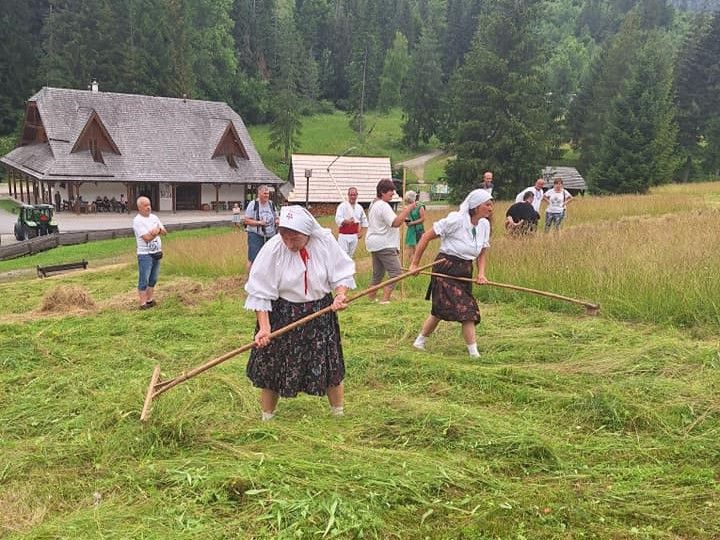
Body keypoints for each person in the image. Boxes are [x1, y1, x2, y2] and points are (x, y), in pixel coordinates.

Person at [245, 205, 356, 421]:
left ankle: (338, 416)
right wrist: (265, 328)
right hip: (283, 312)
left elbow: (341, 272)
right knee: (273, 365)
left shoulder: (324, 242)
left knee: (330, 363)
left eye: (294, 238)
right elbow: (260, 291)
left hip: (320, 312)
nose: (288, 243)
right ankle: (267, 418)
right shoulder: (273, 249)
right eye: (284, 236)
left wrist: (340, 295)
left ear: (307, 233)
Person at [409, 189, 493, 358]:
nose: (491, 208)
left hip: (465, 271)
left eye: (492, 204)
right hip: (445, 268)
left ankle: (419, 342)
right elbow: (425, 237)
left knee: (439, 311)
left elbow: (482, 252)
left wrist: (481, 274)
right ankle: (474, 354)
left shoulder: (484, 225)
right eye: (488, 204)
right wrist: (414, 264)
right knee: (467, 310)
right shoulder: (456, 220)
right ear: (476, 207)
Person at [365, 179, 416, 304]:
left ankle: (370, 300)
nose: (393, 194)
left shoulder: (374, 204)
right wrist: (408, 209)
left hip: (375, 243)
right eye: (390, 191)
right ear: (382, 192)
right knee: (396, 273)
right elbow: (396, 223)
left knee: (378, 274)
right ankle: (385, 300)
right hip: (384, 244)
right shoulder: (383, 205)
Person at [132, 196, 167, 310]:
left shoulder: (154, 217)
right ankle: (142, 303)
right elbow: (146, 238)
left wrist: (157, 231)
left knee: (153, 278)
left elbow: (165, 231)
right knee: (144, 278)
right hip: (145, 254)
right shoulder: (137, 220)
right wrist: (156, 232)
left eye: (149, 205)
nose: (148, 207)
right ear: (139, 207)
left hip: (156, 252)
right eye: (145, 205)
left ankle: (150, 299)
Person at [242, 185, 279, 272]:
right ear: (259, 193)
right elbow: (246, 221)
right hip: (255, 235)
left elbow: (276, 217)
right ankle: (250, 280)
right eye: (265, 193)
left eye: (268, 193)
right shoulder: (253, 204)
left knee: (269, 258)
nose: (267, 195)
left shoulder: (271, 204)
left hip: (271, 235)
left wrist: (277, 221)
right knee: (254, 258)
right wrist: (259, 223)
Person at [334, 187, 368, 257]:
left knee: (350, 256)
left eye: (354, 195)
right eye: (351, 195)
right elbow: (338, 219)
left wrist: (361, 232)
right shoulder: (342, 206)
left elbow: (364, 221)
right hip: (344, 235)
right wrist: (346, 221)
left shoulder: (359, 208)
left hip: (354, 235)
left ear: (357, 195)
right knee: (343, 255)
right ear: (348, 195)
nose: (353, 197)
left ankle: (349, 268)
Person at [403, 190, 426, 265]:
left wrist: (412, 223)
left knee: (418, 249)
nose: (408, 203)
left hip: (418, 229)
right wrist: (407, 221)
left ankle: (416, 265)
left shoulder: (420, 206)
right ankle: (411, 265)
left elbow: (423, 219)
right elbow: (407, 218)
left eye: (409, 201)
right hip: (411, 230)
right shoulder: (407, 207)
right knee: (410, 248)